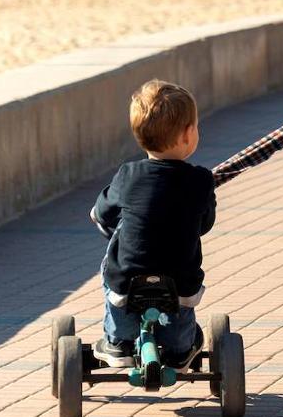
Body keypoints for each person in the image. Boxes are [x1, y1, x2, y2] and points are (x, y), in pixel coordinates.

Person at [90, 80, 217, 368]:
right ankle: (179, 348)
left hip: (127, 279)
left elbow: (103, 213)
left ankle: (118, 340)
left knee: (111, 266)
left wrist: (100, 216)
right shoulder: (200, 180)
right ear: (188, 135)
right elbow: (205, 223)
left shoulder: (127, 174)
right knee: (182, 312)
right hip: (180, 281)